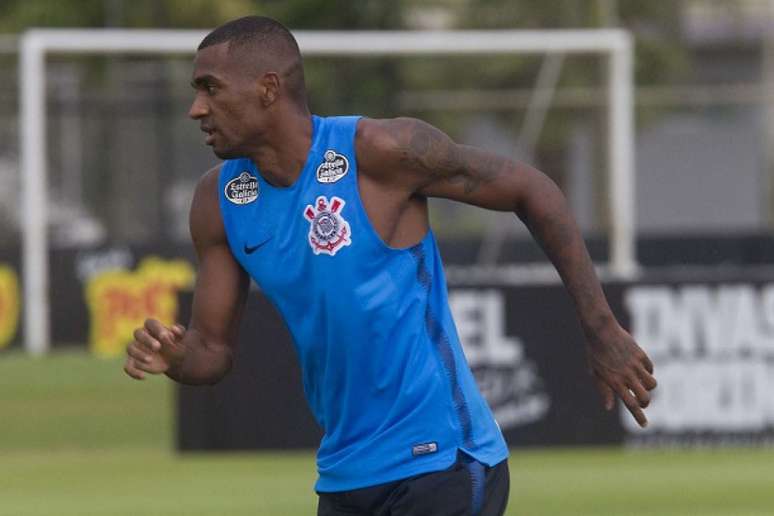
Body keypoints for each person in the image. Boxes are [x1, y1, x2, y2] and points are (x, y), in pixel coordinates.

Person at [124, 15, 657, 516]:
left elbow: (531, 189)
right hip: (344, 475)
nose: (196, 109)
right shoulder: (219, 202)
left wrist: (601, 328)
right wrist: (173, 356)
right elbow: (212, 353)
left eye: (210, 87)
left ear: (268, 88)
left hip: (442, 460)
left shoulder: (379, 152)